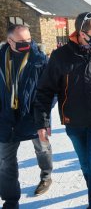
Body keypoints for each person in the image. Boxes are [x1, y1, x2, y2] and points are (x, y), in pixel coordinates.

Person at [34, 12, 91, 209]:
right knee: (86, 165)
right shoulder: (60, 56)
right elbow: (45, 91)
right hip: (74, 122)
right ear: (83, 33)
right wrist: (42, 121)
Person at [0, 24, 51, 208]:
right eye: (21, 42)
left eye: (29, 40)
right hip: (6, 120)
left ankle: (46, 175)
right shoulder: (1, 58)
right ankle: (10, 200)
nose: (26, 44)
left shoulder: (40, 60)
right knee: (6, 162)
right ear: (9, 41)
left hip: (34, 117)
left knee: (42, 149)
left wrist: (42, 119)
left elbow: (50, 91)